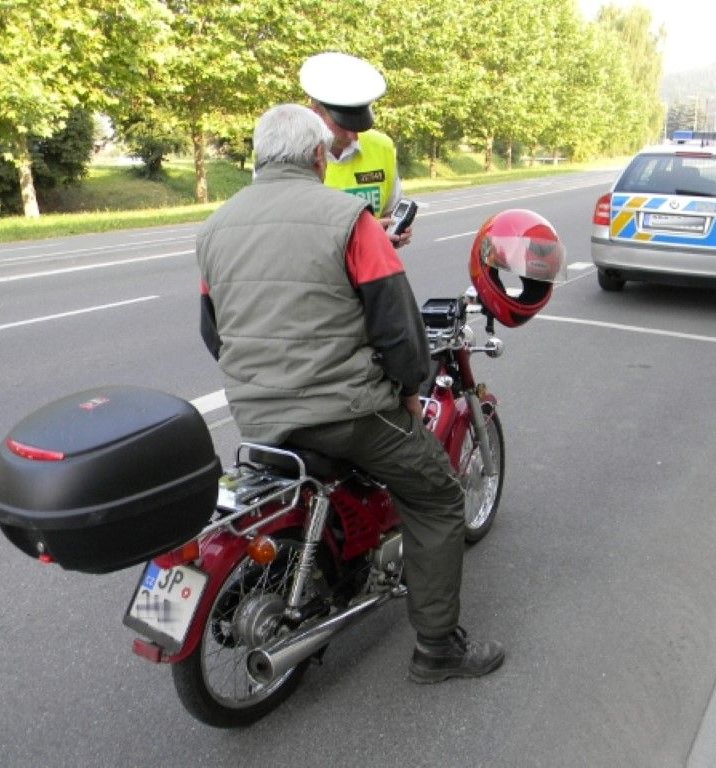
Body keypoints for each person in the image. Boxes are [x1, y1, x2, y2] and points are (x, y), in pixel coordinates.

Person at [196, 103, 504, 683]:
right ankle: (439, 648)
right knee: (436, 492)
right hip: (344, 411)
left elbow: (214, 332)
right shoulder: (348, 219)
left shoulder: (213, 228)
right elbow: (397, 326)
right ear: (318, 156)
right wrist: (410, 390)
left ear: (258, 156)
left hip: (259, 416)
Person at [299, 51, 412, 248]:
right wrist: (363, 239)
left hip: (370, 275)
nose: (354, 136)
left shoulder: (381, 147)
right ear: (315, 113)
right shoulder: (288, 154)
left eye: (360, 126)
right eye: (343, 126)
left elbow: (390, 211)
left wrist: (394, 232)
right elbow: (287, 234)